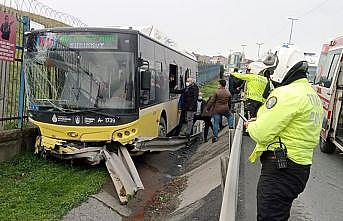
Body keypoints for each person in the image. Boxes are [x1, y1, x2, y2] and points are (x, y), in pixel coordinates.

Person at [245, 45, 324, 220]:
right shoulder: (312, 95)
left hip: (280, 169)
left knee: (269, 217)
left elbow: (262, 133)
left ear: (283, 67)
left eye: (272, 69)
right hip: (300, 168)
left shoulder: (286, 94)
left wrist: (251, 125)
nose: (271, 74)